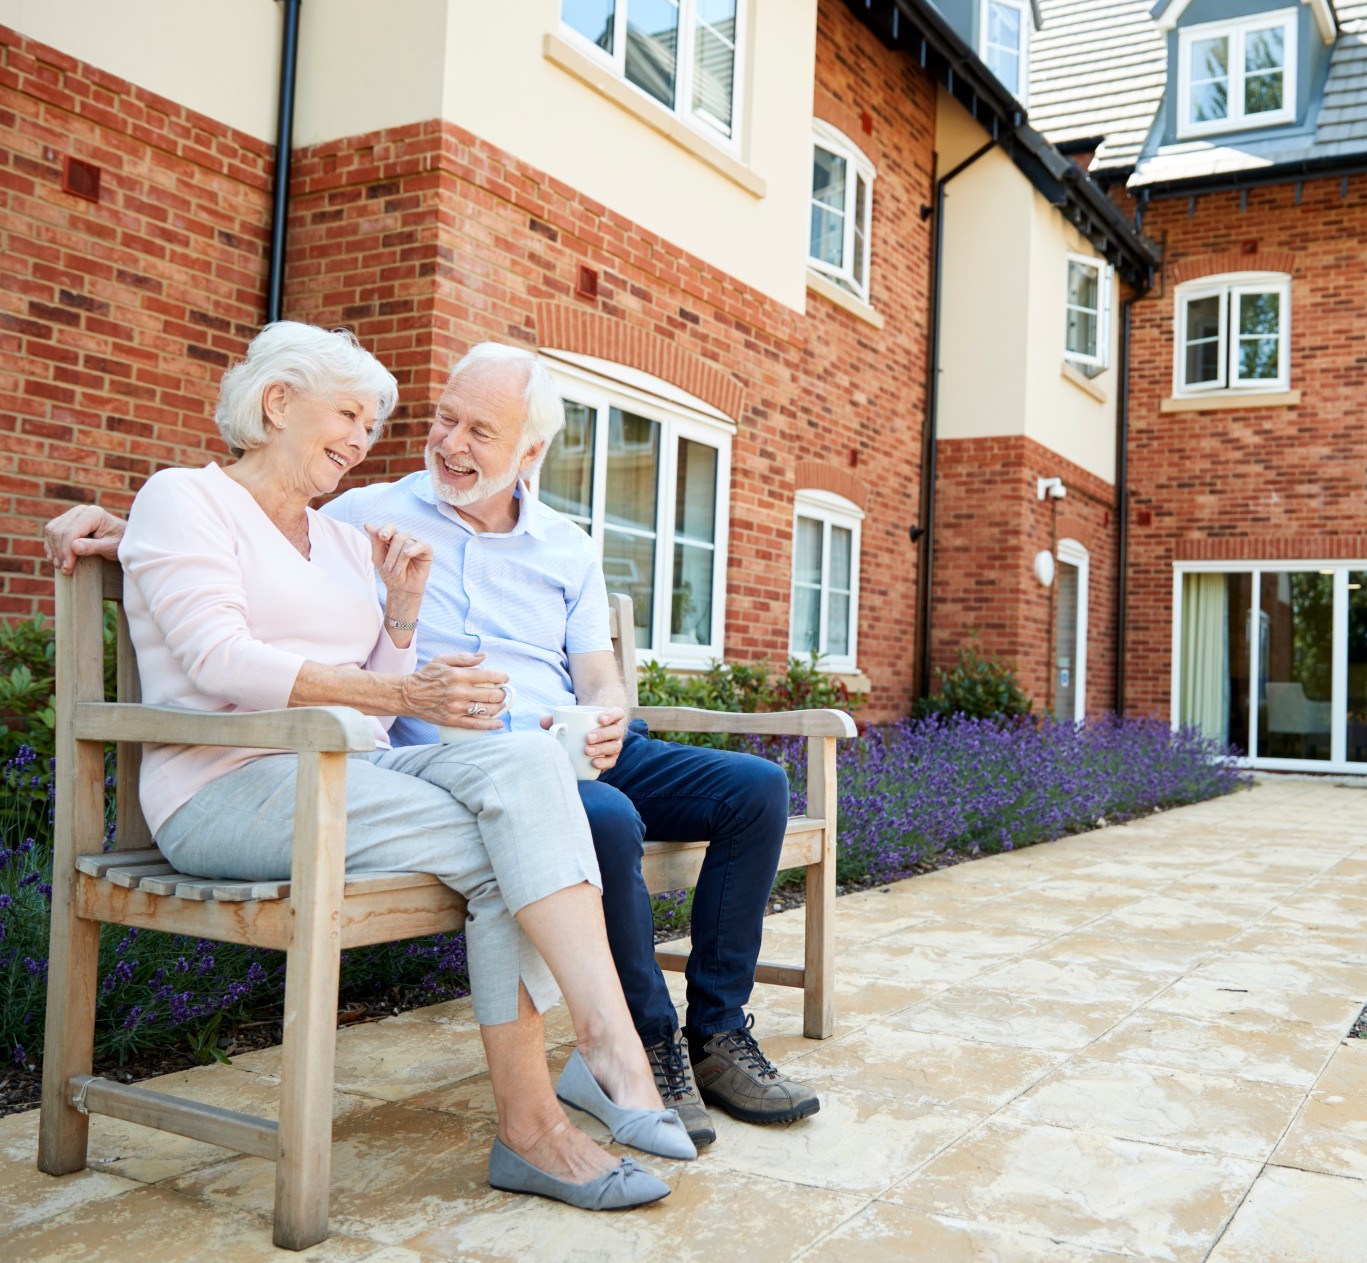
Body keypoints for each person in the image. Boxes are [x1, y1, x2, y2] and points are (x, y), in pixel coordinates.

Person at [47, 343, 820, 1146]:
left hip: (548, 744)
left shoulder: (542, 542)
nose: (449, 444)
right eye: (442, 420)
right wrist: (129, 529)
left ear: (529, 453)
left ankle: (712, 1036)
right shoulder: (365, 510)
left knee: (754, 788)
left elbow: (591, 671)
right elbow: (239, 539)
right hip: (408, 761)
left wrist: (605, 712)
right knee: (594, 819)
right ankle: (637, 1048)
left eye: (479, 432)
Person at [108, 321, 692, 1212]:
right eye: (348, 414)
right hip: (225, 788)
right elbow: (215, 659)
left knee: (528, 769)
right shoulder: (184, 499)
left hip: (349, 779)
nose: (363, 441)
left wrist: (404, 617)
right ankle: (576, 1092)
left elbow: (382, 689)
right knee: (514, 842)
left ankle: (591, 1066)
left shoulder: (345, 540)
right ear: (277, 404)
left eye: (374, 426)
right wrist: (402, 696)